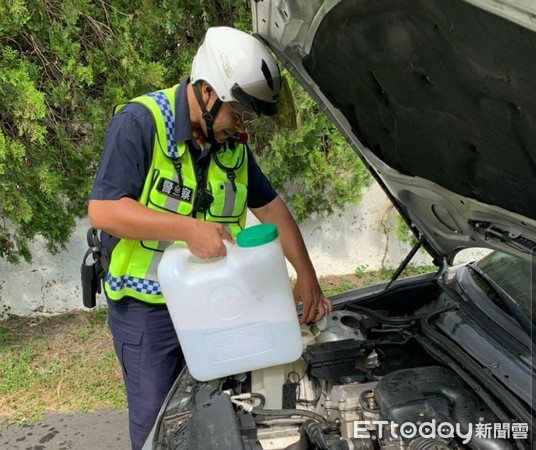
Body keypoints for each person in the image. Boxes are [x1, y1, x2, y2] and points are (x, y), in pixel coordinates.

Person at [87, 26, 332, 450]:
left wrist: (306, 274)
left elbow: (271, 207)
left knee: (221, 413)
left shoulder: (231, 145)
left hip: (214, 304)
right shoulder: (141, 123)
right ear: (206, 91)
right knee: (158, 427)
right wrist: (186, 228)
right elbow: (104, 210)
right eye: (239, 113)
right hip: (148, 312)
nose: (242, 129)